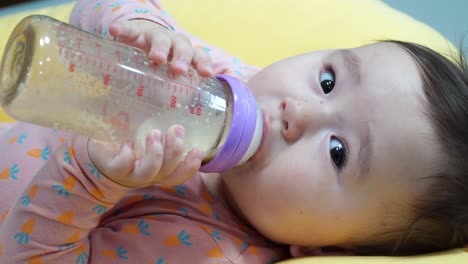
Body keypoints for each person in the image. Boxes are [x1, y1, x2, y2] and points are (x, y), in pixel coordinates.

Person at [0, 0, 467, 263]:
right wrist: (142, 28)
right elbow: (91, 11)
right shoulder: (227, 79)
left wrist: (89, 178)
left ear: (324, 246)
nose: (298, 112)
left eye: (339, 152)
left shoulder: (212, 252)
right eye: (327, 81)